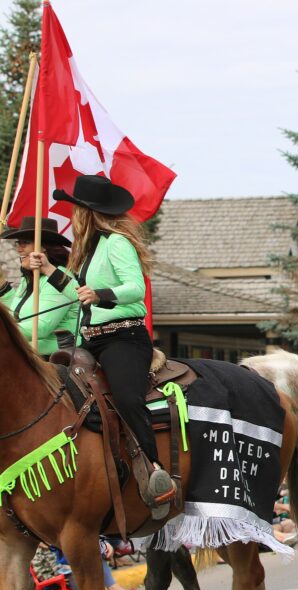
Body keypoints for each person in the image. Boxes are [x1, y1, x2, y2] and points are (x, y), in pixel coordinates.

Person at [31, 175, 175, 512]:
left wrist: (101, 294)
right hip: (90, 340)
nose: (71, 216)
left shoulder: (116, 243)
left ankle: (155, 472)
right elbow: (78, 295)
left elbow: (135, 288)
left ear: (86, 212)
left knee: (126, 397)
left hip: (123, 338)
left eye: (74, 209)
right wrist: (50, 268)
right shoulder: (85, 253)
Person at [0, 217, 79, 355]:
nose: (18, 249)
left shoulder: (59, 277)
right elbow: (13, 315)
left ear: (43, 247)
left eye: (25, 243)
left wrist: (4, 332)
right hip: (29, 351)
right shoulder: (28, 279)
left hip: (57, 356)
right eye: (18, 243)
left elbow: (41, 327)